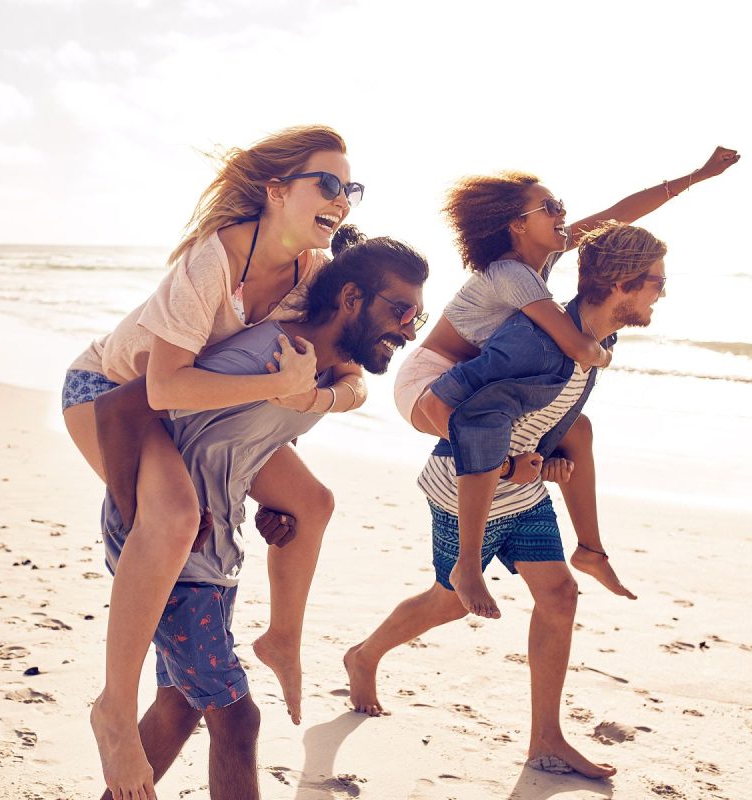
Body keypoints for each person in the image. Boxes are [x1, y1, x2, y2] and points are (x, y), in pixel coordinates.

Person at [61, 125, 369, 798]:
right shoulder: (215, 259)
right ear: (276, 189)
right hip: (110, 396)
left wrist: (321, 394)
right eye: (328, 183)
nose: (342, 199)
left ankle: (282, 638)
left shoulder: (313, 276)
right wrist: (280, 389)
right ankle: (113, 707)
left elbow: (353, 375)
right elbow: (163, 386)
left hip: (196, 420)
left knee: (310, 504)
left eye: (351, 189)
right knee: (174, 520)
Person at [98, 229, 429, 800]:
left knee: (179, 705)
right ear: (351, 299)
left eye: (416, 320)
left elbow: (239, 440)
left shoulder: (322, 374)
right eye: (400, 310)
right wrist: (138, 521)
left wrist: (271, 505)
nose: (407, 329)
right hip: (172, 549)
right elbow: (120, 409)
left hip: (219, 548)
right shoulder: (265, 354)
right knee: (237, 717)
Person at [345, 222, 669, 778]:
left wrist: (544, 456)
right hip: (467, 485)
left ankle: (546, 739)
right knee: (449, 600)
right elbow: (457, 411)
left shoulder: (594, 339)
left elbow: (546, 411)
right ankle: (365, 655)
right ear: (623, 284)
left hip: (522, 488)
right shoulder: (529, 340)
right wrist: (507, 467)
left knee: (560, 595)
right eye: (657, 282)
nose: (663, 292)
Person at [394, 147, 740, 618]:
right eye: (550, 208)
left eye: (561, 206)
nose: (563, 214)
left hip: (466, 378)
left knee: (576, 431)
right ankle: (468, 566)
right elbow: (577, 347)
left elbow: (617, 215)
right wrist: (601, 353)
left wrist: (695, 177)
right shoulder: (511, 274)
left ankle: (591, 551)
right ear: (518, 224)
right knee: (492, 447)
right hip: (428, 383)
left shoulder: (541, 261)